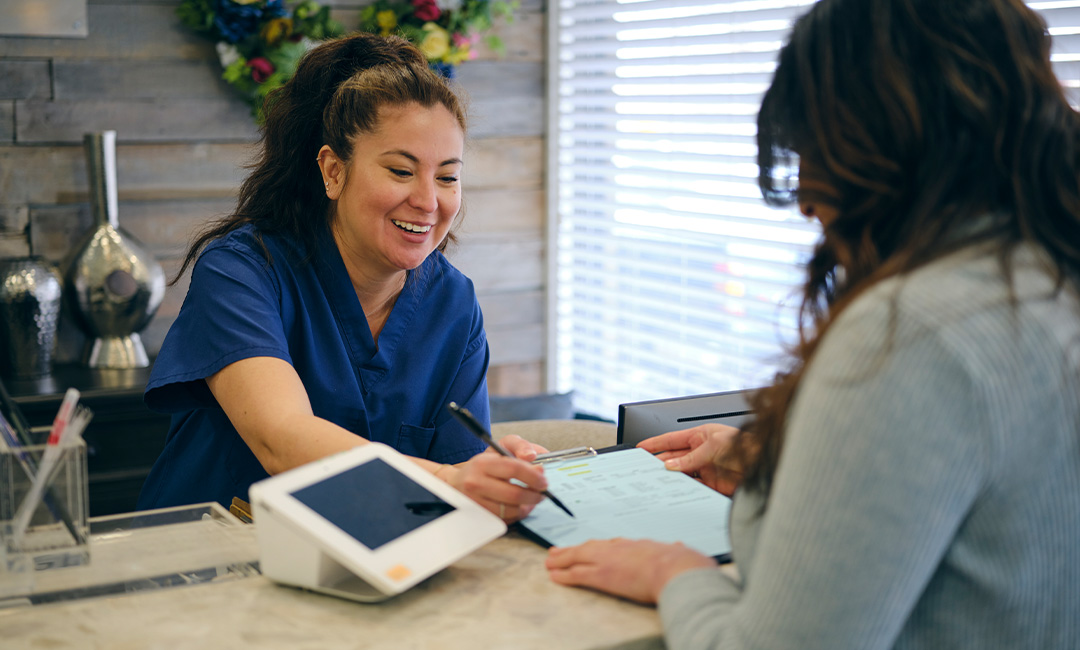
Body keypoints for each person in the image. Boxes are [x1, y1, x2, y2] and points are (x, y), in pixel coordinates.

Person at [545, 0, 1080, 647]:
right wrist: (776, 466)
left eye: (813, 150)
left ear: (882, 142)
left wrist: (673, 572)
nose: (803, 200)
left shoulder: (909, 332)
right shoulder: (1045, 278)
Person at [137, 33, 548, 522]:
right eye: (400, 170)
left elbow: (459, 475)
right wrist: (448, 481)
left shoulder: (452, 303)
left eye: (447, 177)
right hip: (208, 566)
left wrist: (496, 476)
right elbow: (282, 438)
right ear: (333, 171)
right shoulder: (243, 272)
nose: (428, 201)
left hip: (375, 564)